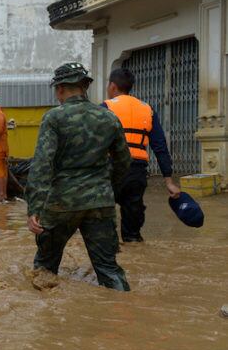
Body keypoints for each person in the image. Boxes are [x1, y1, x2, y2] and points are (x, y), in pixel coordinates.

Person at [25, 63, 132, 292]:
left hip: (61, 202)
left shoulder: (54, 118)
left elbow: (42, 165)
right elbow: (124, 161)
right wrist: (106, 188)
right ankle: (124, 317)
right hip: (100, 201)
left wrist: (34, 207)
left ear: (61, 89)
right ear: (84, 87)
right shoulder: (109, 118)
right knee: (109, 269)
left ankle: (45, 322)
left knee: (44, 268)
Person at [104, 68, 182, 242]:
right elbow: (160, 146)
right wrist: (169, 181)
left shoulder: (106, 107)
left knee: (103, 222)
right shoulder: (147, 109)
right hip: (137, 172)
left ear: (113, 86)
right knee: (133, 230)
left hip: (111, 169)